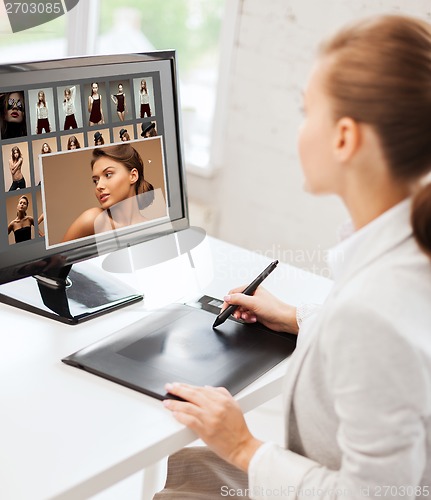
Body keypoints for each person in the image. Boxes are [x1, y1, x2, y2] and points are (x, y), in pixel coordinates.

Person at [156, 14, 431, 499]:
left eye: (308, 113)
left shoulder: (371, 311)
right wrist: (298, 317)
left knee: (192, 480)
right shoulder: (406, 245)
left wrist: (242, 446)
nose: (300, 129)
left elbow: (382, 494)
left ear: (345, 138)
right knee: (190, 468)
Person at [62, 143, 154, 242]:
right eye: (96, 181)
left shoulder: (152, 228)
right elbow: (54, 257)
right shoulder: (94, 219)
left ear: (133, 176)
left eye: (108, 175)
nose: (99, 186)